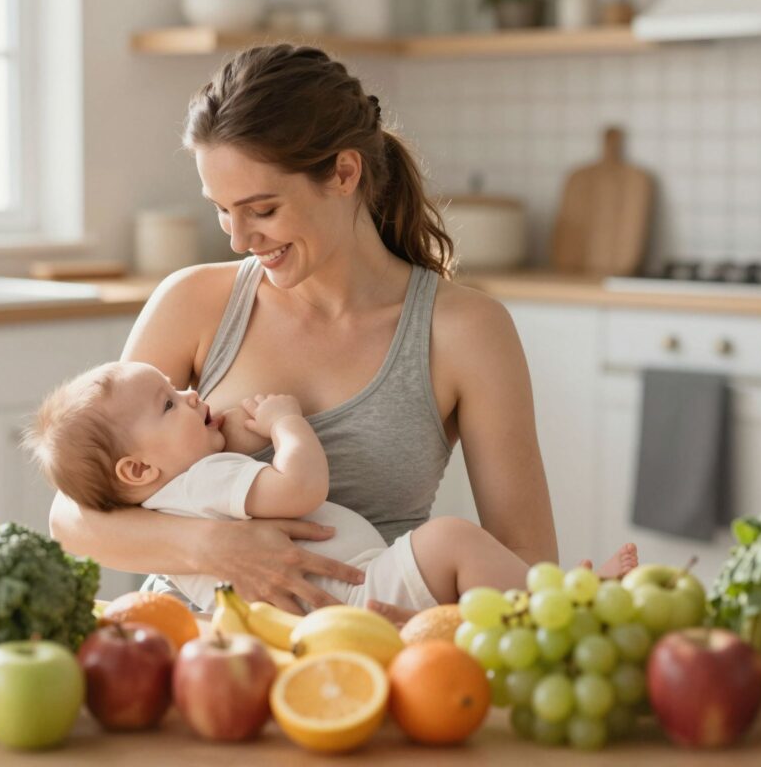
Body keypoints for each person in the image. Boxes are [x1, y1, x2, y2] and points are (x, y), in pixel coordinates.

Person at [48, 43, 635, 619]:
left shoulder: (466, 331)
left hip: (372, 642)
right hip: (189, 646)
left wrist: (438, 627)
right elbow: (74, 517)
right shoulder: (194, 301)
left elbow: (525, 557)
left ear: (345, 172)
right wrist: (214, 548)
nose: (237, 237)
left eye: (263, 209)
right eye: (221, 209)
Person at [25, 360, 578, 613]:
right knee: (454, 540)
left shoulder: (170, 494)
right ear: (139, 471)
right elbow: (299, 489)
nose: (194, 396)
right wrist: (287, 424)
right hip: (353, 595)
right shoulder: (201, 483)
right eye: (170, 403)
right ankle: (566, 603)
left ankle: (548, 604)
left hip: (316, 617)